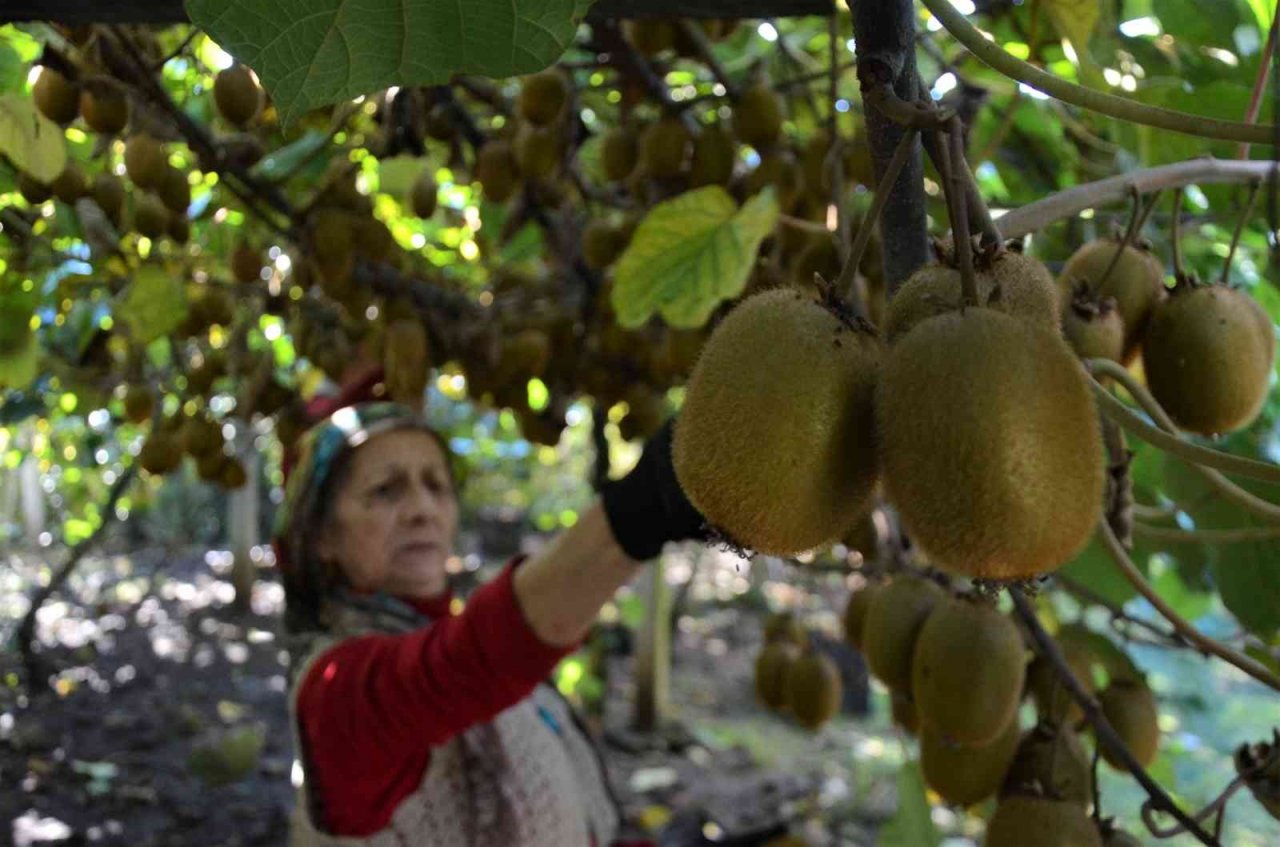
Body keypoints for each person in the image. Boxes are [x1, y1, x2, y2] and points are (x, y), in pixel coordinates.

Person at [271, 390, 708, 846]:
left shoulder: (470, 655)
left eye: (436, 485)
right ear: (321, 535)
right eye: (386, 490)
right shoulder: (334, 692)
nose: (423, 510)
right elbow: (462, 666)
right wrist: (645, 507)